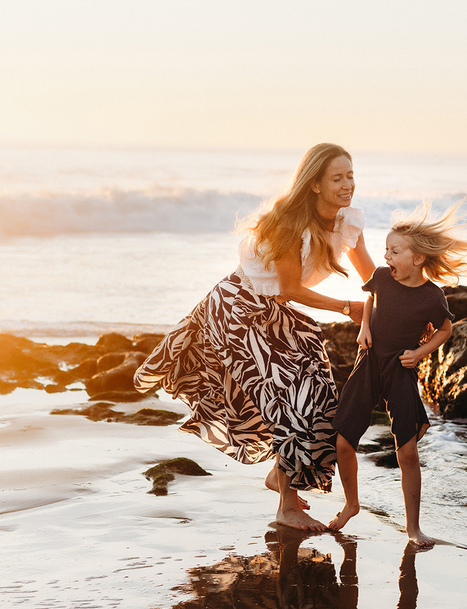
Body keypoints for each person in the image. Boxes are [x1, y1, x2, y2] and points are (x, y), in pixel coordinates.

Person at [135, 143, 375, 531]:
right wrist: (349, 309)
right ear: (314, 184)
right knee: (289, 396)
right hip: (237, 309)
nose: (348, 184)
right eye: (337, 178)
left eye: (350, 175)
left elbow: (371, 278)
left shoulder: (348, 221)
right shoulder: (287, 222)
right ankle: (286, 505)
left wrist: (407, 304)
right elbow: (288, 290)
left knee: (320, 392)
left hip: (272, 313)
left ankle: (279, 475)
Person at [327, 202, 467, 546]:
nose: (387, 255)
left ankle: (413, 528)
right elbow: (371, 296)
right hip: (369, 362)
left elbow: (445, 330)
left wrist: (419, 353)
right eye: (386, 248)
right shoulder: (383, 278)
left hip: (400, 370)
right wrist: (363, 328)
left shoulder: (433, 297)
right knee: (343, 441)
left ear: (418, 258)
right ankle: (351, 504)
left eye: (394, 250)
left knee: (407, 452)